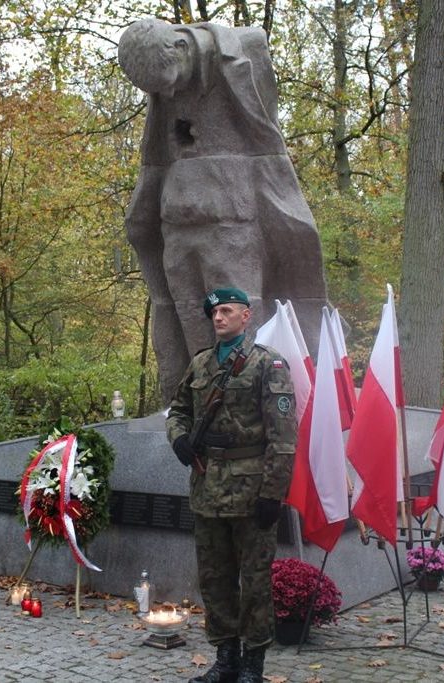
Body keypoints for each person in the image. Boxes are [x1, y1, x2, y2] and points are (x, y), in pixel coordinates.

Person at [118, 19, 327, 404]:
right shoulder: (162, 77)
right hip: (176, 227)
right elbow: (156, 158)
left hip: (232, 222)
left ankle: (247, 408)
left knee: (240, 320)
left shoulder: (242, 53)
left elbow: (266, 136)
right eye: (157, 90)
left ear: (180, 48)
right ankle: (201, 408)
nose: (167, 94)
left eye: (168, 82)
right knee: (191, 326)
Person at [166, 287, 297, 683]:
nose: (218, 318)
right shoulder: (200, 363)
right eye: (214, 313)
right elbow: (178, 411)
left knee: (255, 582)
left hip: (251, 490)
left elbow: (283, 436)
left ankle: (252, 666)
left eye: (226, 311)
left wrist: (273, 493)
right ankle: (226, 661)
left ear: (245, 316)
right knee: (215, 579)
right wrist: (179, 439)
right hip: (207, 488)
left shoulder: (268, 365)